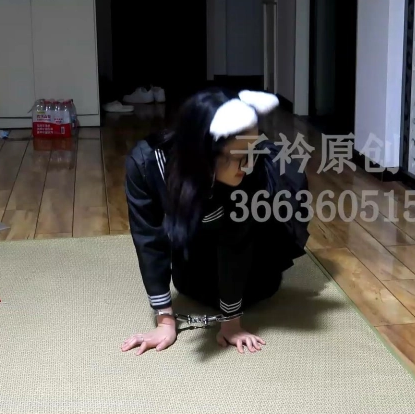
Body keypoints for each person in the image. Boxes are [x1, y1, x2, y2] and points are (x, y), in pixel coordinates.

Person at [121, 88, 310, 355]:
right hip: (197, 235)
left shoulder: (251, 169)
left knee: (260, 288)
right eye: (239, 157)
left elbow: (236, 242)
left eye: (252, 151)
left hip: (252, 232)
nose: (247, 165)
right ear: (205, 154)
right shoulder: (145, 165)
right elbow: (148, 239)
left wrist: (231, 323)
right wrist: (165, 321)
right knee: (190, 287)